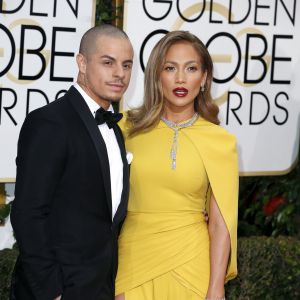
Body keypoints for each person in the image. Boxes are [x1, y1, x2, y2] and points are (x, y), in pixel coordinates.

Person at [10, 24, 133, 300]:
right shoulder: (50, 122)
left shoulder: (114, 129)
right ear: (82, 62)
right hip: (59, 290)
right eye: (108, 62)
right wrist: (52, 292)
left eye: (126, 65)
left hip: (100, 289)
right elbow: (27, 213)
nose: (119, 74)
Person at [115, 31, 238, 300]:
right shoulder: (125, 129)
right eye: (170, 68)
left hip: (192, 263)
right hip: (134, 258)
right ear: (157, 75)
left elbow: (220, 224)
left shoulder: (221, 142)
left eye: (191, 68)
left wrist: (216, 288)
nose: (180, 78)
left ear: (204, 77)